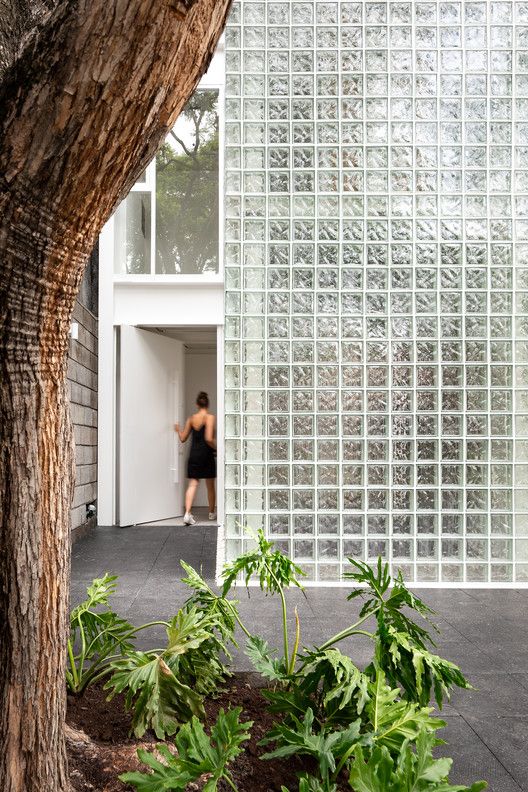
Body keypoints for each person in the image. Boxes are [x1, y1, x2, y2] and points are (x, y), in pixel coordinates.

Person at [175, 391, 216, 525]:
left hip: (194, 455)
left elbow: (182, 438)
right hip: (206, 455)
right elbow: (209, 438)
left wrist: (177, 430)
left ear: (197, 404)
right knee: (210, 485)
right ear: (207, 404)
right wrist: (217, 448)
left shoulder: (191, 419)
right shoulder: (209, 417)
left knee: (193, 484)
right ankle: (211, 513)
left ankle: (187, 514)